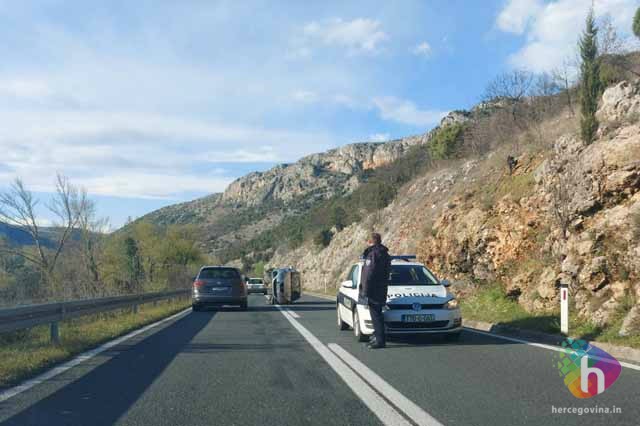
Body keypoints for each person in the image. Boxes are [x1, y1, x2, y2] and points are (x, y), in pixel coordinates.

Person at [359, 232, 391, 349]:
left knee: (375, 315)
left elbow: (368, 274)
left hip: (373, 289)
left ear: (370, 241)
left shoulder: (373, 254)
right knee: (378, 315)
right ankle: (378, 338)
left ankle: (380, 341)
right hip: (382, 288)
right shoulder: (385, 254)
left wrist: (365, 291)